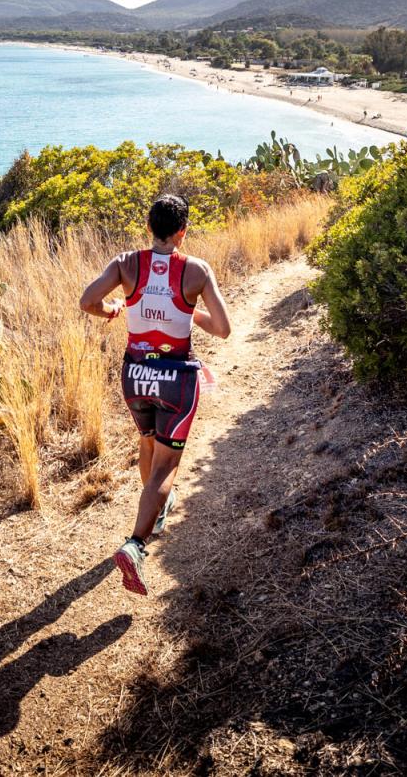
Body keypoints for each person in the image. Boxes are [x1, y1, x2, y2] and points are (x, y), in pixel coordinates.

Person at [78, 194, 232, 595]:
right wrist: (188, 310)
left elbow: (87, 301)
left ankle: (157, 509)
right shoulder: (196, 270)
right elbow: (223, 328)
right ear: (183, 232)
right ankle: (136, 543)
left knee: (148, 443)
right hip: (176, 378)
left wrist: (114, 309)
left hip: (135, 375)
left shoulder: (126, 263)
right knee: (167, 465)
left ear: (149, 227)